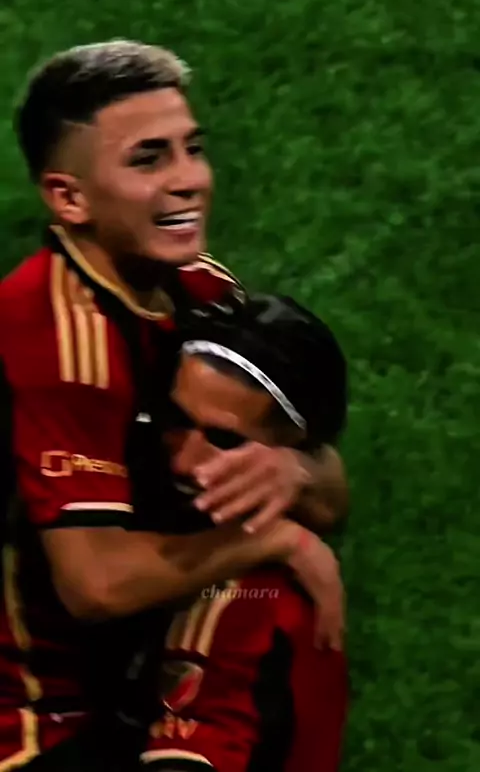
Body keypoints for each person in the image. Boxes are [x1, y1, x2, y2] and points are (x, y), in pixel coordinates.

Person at [0, 40, 348, 770]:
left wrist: (295, 473)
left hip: (122, 660)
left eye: (193, 149)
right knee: (262, 570)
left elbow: (329, 489)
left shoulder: (199, 288)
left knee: (263, 598)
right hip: (28, 719)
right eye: (149, 160)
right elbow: (96, 584)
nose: (189, 180)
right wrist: (276, 538)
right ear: (69, 198)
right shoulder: (57, 342)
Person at [134, 292, 348, 772]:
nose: (184, 461)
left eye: (224, 440)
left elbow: (95, 587)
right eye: (176, 420)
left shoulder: (241, 606)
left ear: (288, 448)